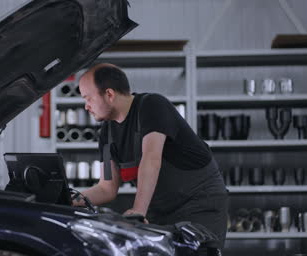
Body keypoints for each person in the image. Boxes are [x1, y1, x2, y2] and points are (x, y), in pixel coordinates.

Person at [73, 63, 228, 255]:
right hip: (159, 211)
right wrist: (70, 198)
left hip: (198, 204)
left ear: (110, 94)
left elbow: (151, 159)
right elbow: (106, 188)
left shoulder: (151, 105)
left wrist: (138, 210)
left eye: (88, 98)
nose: (86, 106)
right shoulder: (107, 133)